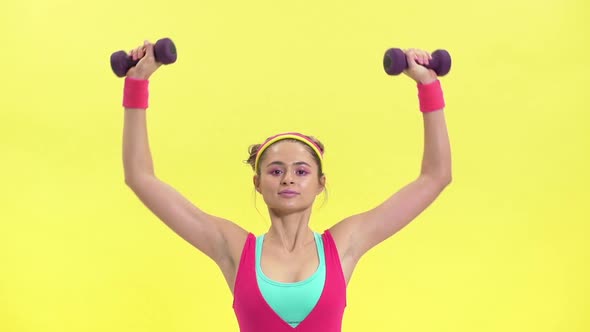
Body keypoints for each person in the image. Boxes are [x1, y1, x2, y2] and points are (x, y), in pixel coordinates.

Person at [121, 40, 452, 332]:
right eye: (276, 171)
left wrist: (428, 85)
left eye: (302, 171)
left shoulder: (344, 245)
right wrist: (137, 83)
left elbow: (435, 176)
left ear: (321, 184)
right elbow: (141, 178)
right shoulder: (235, 249)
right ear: (258, 183)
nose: (289, 179)